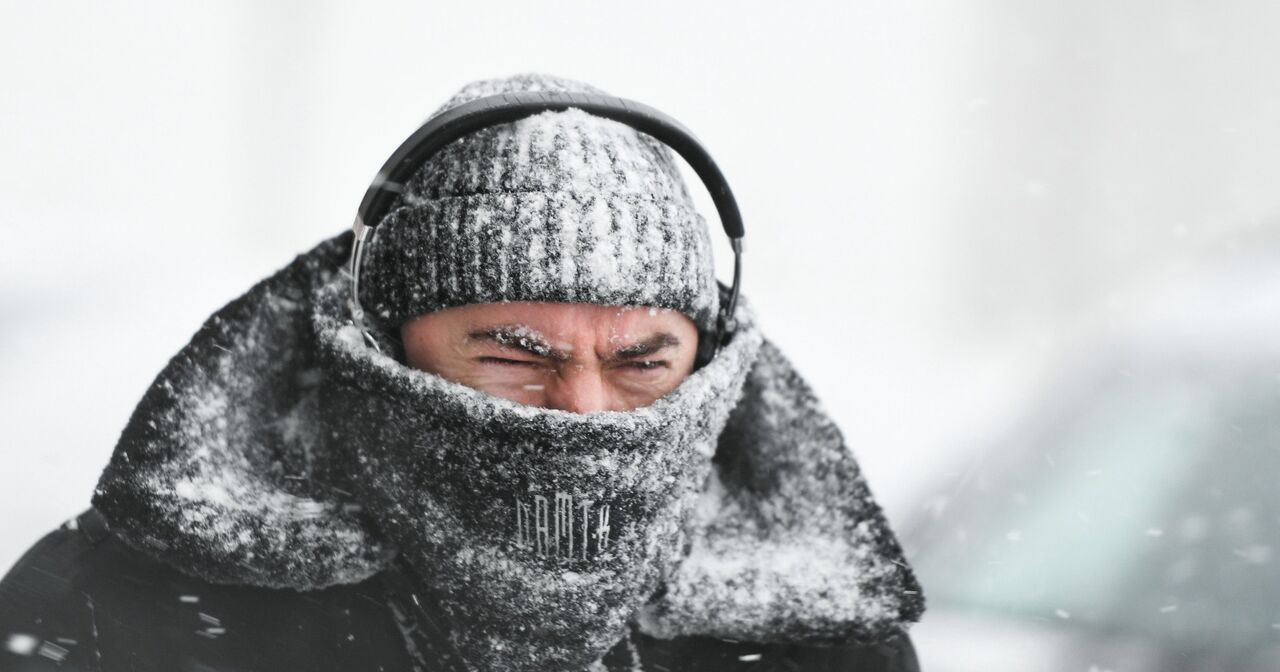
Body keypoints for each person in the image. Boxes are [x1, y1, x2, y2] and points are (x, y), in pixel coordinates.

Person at [0, 73, 925, 672]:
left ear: (711, 364)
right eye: (513, 358)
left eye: (643, 363)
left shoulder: (812, 645)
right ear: (380, 343)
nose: (583, 413)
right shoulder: (122, 611)